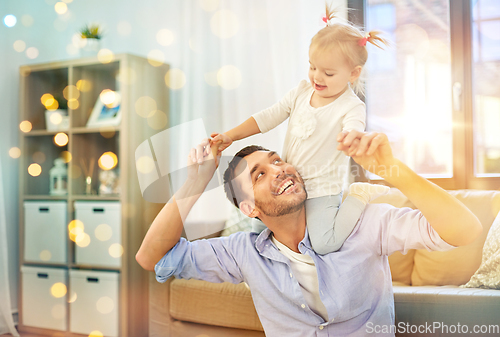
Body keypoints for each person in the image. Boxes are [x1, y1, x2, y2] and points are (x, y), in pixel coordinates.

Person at [136, 130, 482, 336]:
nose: (279, 170)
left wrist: (393, 171)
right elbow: (151, 258)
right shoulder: (244, 252)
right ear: (249, 209)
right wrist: (196, 180)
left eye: (277, 160)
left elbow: (465, 231)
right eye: (259, 174)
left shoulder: (363, 222)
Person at [208, 8, 390, 254]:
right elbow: (267, 117)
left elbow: (354, 129)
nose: (317, 76)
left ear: (353, 73)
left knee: (325, 243)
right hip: (288, 183)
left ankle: (359, 194)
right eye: (313, 67)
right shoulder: (302, 93)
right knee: (257, 230)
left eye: (328, 73)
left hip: (320, 188)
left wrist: (351, 138)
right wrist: (230, 135)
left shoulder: (351, 107)